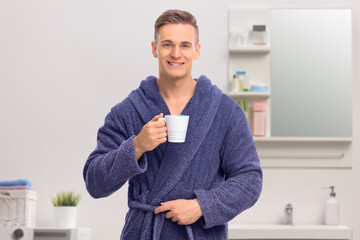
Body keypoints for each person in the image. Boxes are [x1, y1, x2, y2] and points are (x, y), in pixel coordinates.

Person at [83, 9, 262, 240]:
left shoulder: (224, 111)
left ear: (197, 50)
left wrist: (201, 206)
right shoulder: (128, 111)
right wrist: (136, 146)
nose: (176, 53)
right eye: (167, 44)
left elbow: (250, 179)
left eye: (185, 45)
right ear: (154, 48)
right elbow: (94, 183)